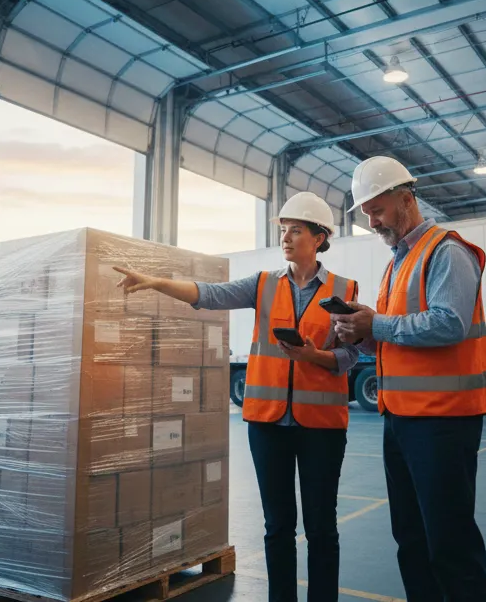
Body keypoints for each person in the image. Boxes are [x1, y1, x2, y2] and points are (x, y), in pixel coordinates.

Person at [114, 192, 361, 602]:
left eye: (295, 231)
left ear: (319, 238)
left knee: (321, 528)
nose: (285, 238)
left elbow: (352, 354)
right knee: (277, 525)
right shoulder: (262, 285)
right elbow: (209, 293)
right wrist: (156, 282)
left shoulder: (343, 289)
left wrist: (316, 356)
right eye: (283, 231)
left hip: (321, 428)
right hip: (268, 426)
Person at [330, 156, 486, 602]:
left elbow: (448, 324)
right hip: (401, 420)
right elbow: (393, 338)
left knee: (449, 541)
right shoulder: (396, 264)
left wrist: (377, 325)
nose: (371, 220)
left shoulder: (446, 251)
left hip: (444, 420)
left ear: (406, 199)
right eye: (365, 213)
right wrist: (360, 334)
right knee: (411, 538)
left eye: (377, 209)